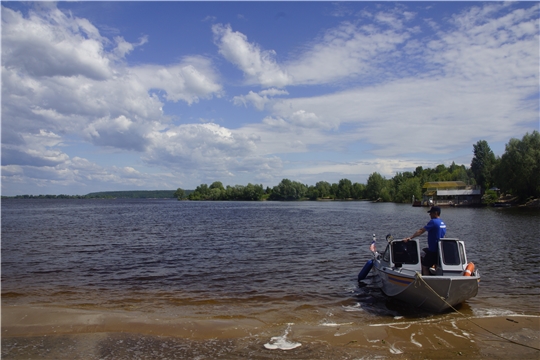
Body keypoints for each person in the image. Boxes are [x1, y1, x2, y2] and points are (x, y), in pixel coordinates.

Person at [404, 206, 447, 275]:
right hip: (441, 250)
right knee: (436, 264)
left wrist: (410, 237)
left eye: (431, 213)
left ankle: (426, 280)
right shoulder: (442, 223)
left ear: (435, 213)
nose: (430, 215)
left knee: (424, 266)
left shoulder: (433, 222)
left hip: (433, 250)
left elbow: (421, 231)